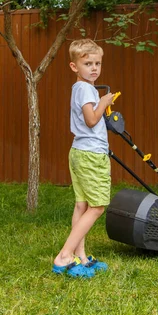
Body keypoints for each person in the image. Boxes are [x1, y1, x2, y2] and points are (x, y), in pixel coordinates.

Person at [52, 39, 115, 278]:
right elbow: (91, 119)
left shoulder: (79, 88)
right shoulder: (87, 89)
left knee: (82, 205)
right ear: (74, 66)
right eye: (87, 63)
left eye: (97, 63)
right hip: (91, 154)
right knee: (97, 207)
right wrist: (104, 102)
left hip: (79, 151)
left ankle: (81, 257)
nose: (94, 68)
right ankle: (65, 255)